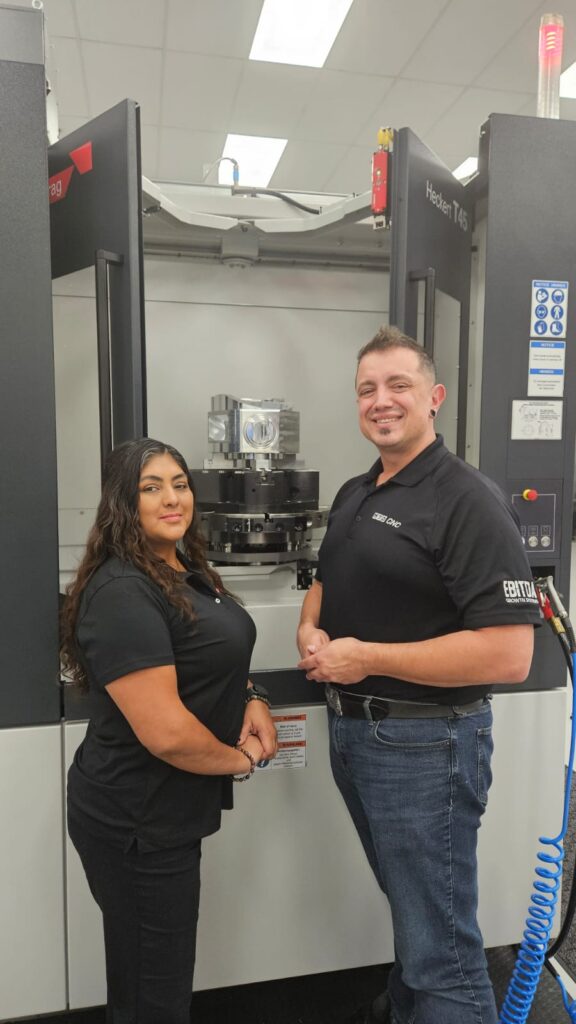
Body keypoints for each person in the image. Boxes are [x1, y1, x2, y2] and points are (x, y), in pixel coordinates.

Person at [297, 327, 540, 1024]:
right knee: (416, 914)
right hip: (359, 737)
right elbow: (325, 582)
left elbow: (508, 654)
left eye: (398, 385)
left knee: (442, 952)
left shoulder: (466, 499)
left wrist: (368, 657)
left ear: (434, 397)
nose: (381, 401)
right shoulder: (358, 489)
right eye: (367, 389)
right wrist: (311, 628)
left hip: (425, 747)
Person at [61, 437, 277, 1024]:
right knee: (152, 992)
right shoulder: (123, 591)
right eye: (151, 488)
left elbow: (209, 653)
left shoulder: (180, 566)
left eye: (179, 484)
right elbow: (168, 735)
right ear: (122, 502)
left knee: (154, 974)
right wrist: (242, 761)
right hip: (135, 821)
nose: (172, 498)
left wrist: (251, 697)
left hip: (166, 812)